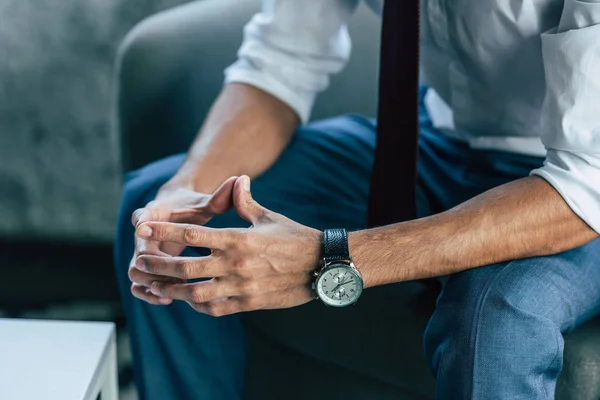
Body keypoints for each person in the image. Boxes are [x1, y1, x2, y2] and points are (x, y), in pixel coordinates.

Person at [114, 0, 600, 399]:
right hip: (442, 137)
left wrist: (331, 257)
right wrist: (187, 189)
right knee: (166, 225)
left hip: (571, 179)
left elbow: (584, 179)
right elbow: (282, 62)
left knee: (494, 321)